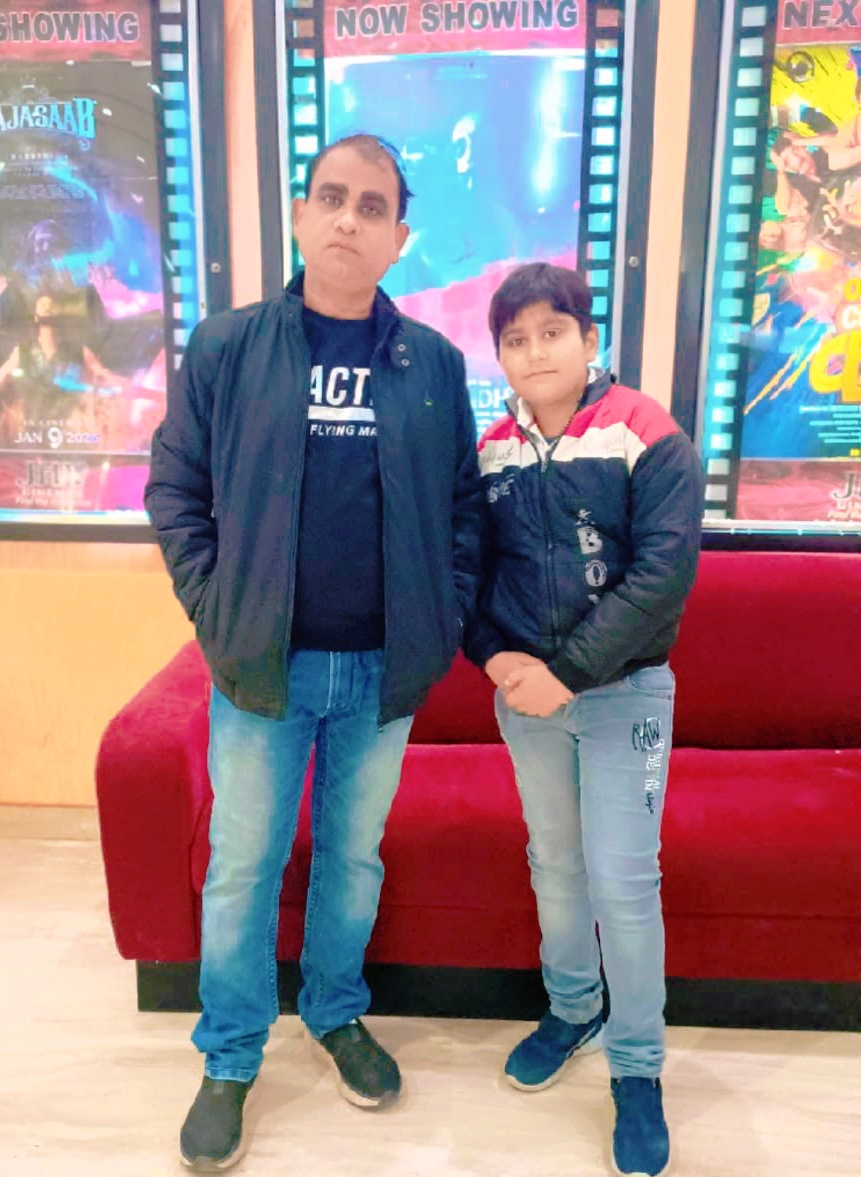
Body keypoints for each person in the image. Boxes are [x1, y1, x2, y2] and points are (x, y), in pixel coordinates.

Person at [144, 133, 483, 1171]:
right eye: (331, 197)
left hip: (382, 672)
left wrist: (442, 618)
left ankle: (336, 1012)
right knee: (242, 865)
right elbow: (176, 487)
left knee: (353, 857)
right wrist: (217, 610)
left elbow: (464, 510)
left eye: (371, 206)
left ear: (399, 238)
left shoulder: (433, 365)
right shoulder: (229, 347)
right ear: (300, 215)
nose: (347, 218)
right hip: (262, 666)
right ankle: (231, 1054)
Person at [465, 263, 703, 1177]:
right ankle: (572, 1008)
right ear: (500, 355)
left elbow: (661, 579)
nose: (534, 352)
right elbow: (466, 575)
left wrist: (565, 674)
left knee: (623, 881)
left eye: (551, 332)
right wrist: (494, 658)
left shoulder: (645, 432)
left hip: (623, 694)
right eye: (514, 339)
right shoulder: (490, 451)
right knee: (553, 864)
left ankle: (636, 1068)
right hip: (527, 699)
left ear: (588, 338)